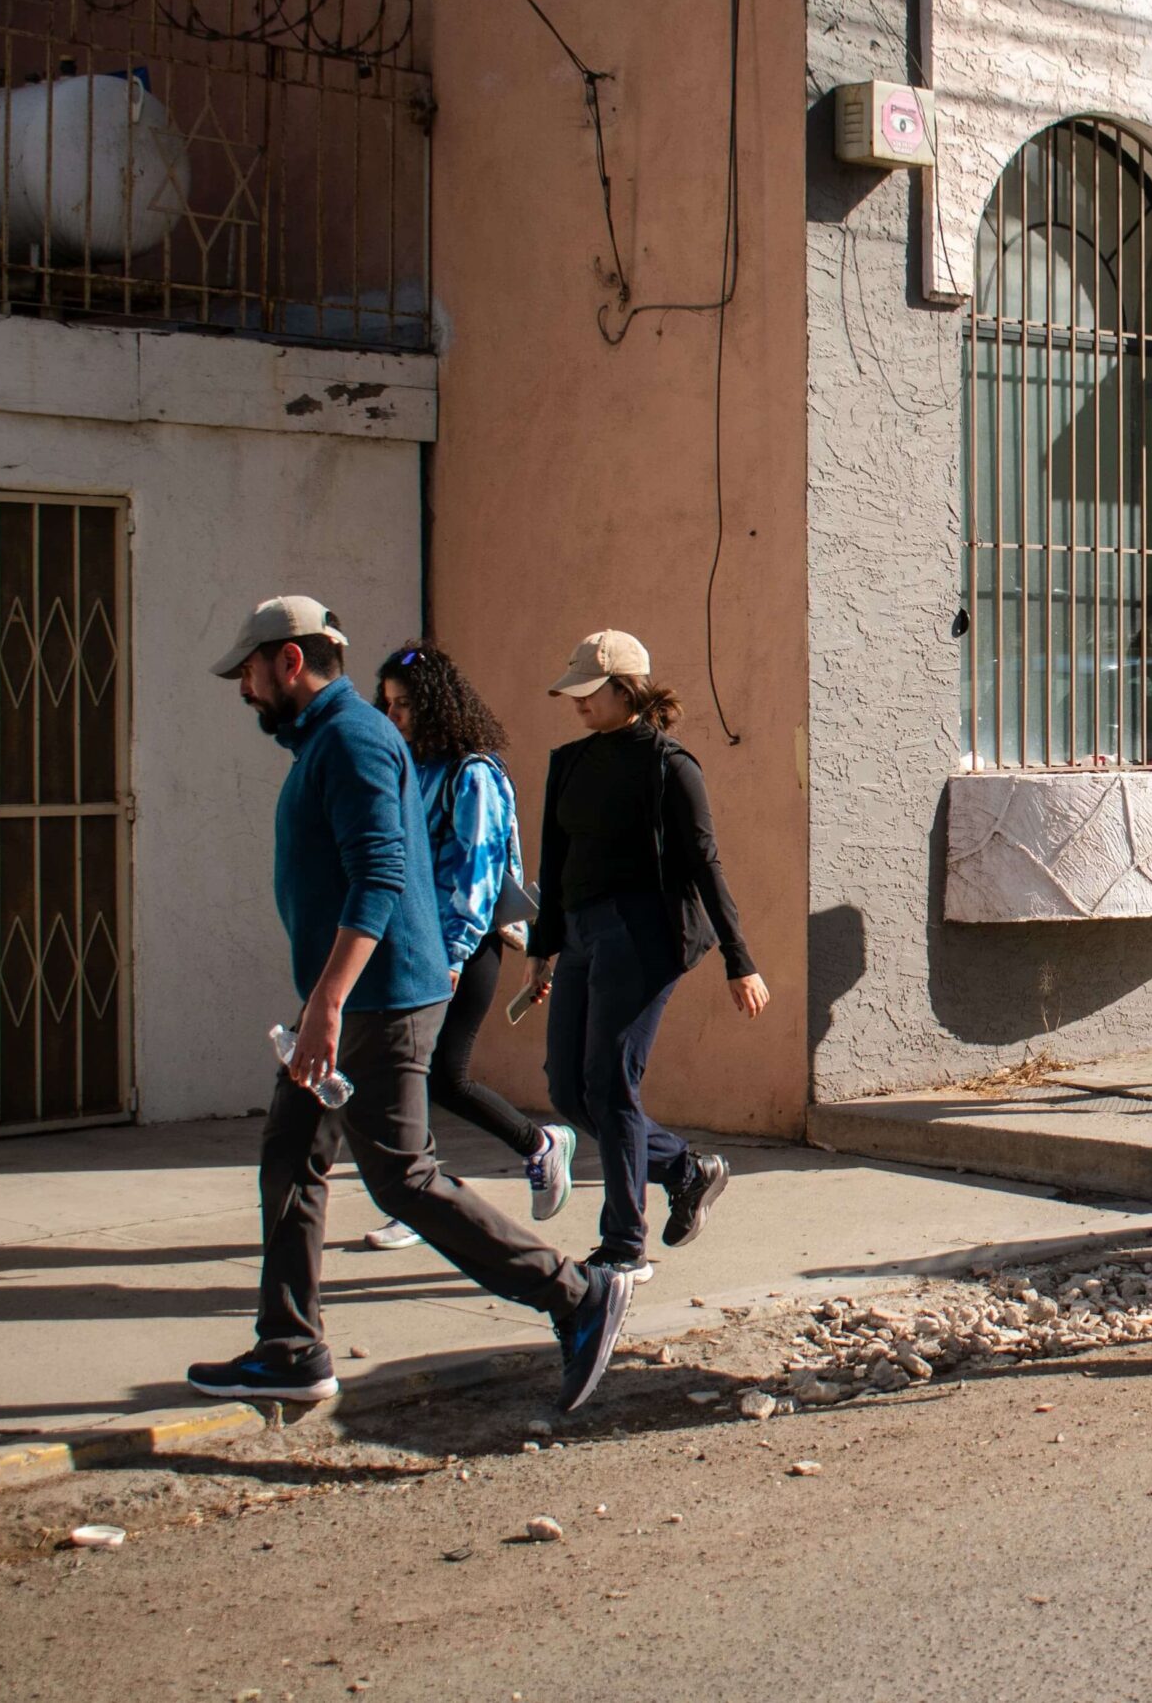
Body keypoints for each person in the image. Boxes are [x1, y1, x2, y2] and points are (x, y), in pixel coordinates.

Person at [191, 596, 628, 1413]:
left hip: (377, 1002)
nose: (243, 688)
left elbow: (382, 876)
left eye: (248, 671)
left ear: (290, 660)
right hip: (352, 999)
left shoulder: (353, 740)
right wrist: (324, 1000)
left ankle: (576, 1295)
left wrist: (328, 1003)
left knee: (401, 1178)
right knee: (291, 1153)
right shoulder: (330, 739)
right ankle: (289, 1349)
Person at [521, 630, 768, 1275]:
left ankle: (624, 1244)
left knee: (610, 1085)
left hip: (642, 938)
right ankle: (685, 1169)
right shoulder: (569, 762)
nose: (578, 702)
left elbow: (705, 863)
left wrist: (739, 959)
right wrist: (542, 949)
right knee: (569, 1090)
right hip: (580, 933)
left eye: (590, 691)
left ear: (627, 689)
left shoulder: (670, 766)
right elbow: (554, 861)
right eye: (574, 692)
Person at [356, 642, 578, 1253]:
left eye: (404, 705)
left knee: (441, 1076)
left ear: (436, 706)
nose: (393, 716)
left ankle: (539, 1144)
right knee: (409, 1075)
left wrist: (451, 956)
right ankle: (417, 1199)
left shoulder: (472, 774)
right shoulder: (409, 767)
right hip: (412, 945)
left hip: (463, 947)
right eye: (387, 704)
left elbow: (478, 876)